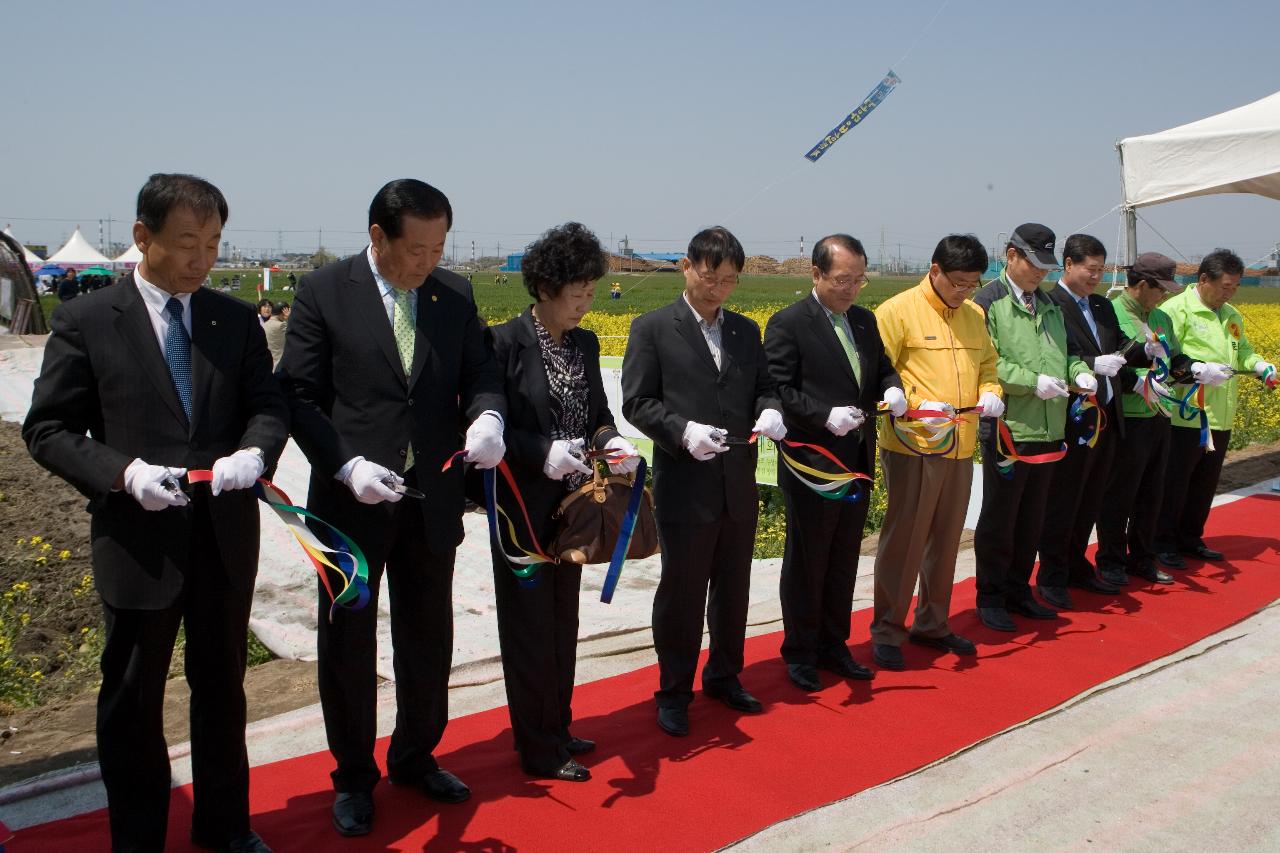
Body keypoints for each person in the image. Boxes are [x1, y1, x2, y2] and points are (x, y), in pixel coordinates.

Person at [23, 173, 288, 853]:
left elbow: (267, 406)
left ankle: (225, 826)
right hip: (138, 540)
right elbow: (48, 428)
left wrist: (255, 455)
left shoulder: (233, 320)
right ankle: (139, 838)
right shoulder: (87, 319)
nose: (203, 259)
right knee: (134, 699)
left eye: (214, 244)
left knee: (222, 686)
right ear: (142, 237)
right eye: (188, 244)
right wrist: (123, 472)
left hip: (223, 535)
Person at [277, 178, 506, 838]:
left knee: (428, 632)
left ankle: (415, 753)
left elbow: (480, 372)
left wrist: (488, 415)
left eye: (438, 248)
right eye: (415, 249)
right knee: (347, 639)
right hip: (350, 503)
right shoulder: (325, 292)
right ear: (377, 236)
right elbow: (299, 396)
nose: (427, 263)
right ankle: (352, 775)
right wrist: (345, 464)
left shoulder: (452, 294)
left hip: (429, 497)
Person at [486, 222, 640, 781]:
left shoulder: (586, 342)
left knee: (562, 618)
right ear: (546, 287)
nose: (585, 304)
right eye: (577, 293)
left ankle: (559, 722)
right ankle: (537, 745)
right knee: (529, 627)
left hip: (575, 502)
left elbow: (598, 411)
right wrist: (539, 451)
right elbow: (491, 425)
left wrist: (610, 439)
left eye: (592, 293)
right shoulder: (504, 343)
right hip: (523, 505)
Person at [622, 226, 785, 737]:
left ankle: (725, 675)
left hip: (736, 482)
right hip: (686, 484)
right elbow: (637, 402)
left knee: (734, 590)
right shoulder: (653, 328)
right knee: (684, 593)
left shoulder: (743, 331)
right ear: (688, 267)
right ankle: (673, 690)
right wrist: (681, 430)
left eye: (730, 281)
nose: (718, 289)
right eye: (710, 277)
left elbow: (764, 387)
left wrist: (771, 411)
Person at [763, 234, 904, 689]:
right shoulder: (788, 323)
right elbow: (780, 389)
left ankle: (834, 644)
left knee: (844, 557)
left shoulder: (863, 320)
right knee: (808, 559)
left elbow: (880, 367)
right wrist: (823, 415)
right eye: (842, 280)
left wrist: (892, 387)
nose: (851, 289)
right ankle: (800, 651)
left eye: (859, 280)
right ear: (817, 275)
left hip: (857, 457)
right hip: (813, 462)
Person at [870, 235, 1003, 670]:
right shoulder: (896, 312)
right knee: (906, 539)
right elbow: (874, 376)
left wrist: (990, 391)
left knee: (946, 540)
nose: (964, 292)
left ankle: (932, 622)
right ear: (934, 271)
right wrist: (911, 403)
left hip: (960, 444)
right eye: (958, 283)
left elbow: (987, 365)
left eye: (972, 284)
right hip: (914, 445)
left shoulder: (974, 315)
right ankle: (889, 629)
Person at [972, 223, 1095, 632]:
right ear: (1010, 255)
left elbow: (1068, 354)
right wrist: (1031, 381)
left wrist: (1079, 374)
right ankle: (991, 596)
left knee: (1033, 517)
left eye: (1046, 266)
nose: (1040, 273)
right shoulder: (987, 303)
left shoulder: (1050, 305)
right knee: (1001, 517)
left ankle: (1019, 590)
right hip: (1010, 429)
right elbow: (987, 364)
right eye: (1033, 264)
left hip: (1049, 428)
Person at [1036, 234, 1160, 607]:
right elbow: (1054, 356)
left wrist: (1148, 351)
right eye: (1090, 270)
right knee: (1063, 503)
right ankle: (1052, 575)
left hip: (1106, 420)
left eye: (1101, 270)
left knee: (1090, 502)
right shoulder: (1050, 305)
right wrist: (1091, 366)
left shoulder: (1102, 307)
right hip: (1073, 421)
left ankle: (1077, 567)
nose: (1095, 278)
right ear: (1068, 265)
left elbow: (1120, 347)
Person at [1152, 248, 1275, 568]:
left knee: (1205, 482)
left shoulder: (1231, 315)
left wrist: (1259, 365)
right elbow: (1164, 358)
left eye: (1235, 287)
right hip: (1186, 414)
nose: (1229, 293)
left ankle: (1191, 537)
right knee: (1175, 482)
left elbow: (1242, 352)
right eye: (1225, 287)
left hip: (1221, 413)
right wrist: (1194, 368)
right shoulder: (1175, 310)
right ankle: (1161, 541)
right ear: (1203, 279)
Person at [1096, 253, 1192, 586]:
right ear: (1141, 285)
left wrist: (1194, 371)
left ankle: (1142, 557)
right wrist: (1139, 381)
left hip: (1160, 415)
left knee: (1152, 491)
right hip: (1129, 417)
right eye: (1160, 289)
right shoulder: (1113, 314)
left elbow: (1177, 358)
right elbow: (1113, 364)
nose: (1164, 296)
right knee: (1119, 493)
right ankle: (1110, 560)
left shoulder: (1161, 318)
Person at [263, 301, 287, 367]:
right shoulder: (282, 325)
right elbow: (295, 336)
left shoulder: (264, 324)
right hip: (280, 363)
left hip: (268, 363)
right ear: (283, 312)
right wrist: (289, 318)